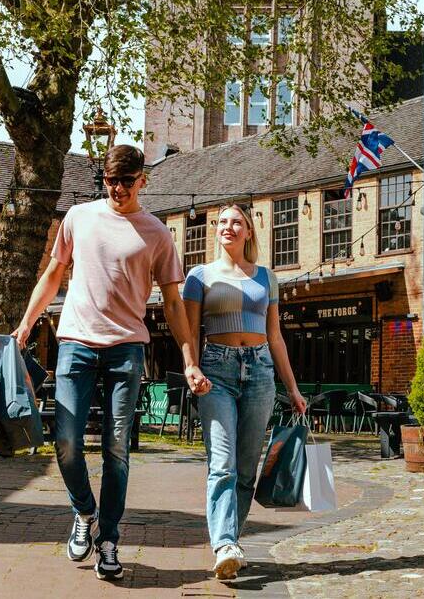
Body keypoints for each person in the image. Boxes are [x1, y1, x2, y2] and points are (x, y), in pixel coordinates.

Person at [14, 145, 207, 582]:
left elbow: (174, 303)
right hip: (76, 344)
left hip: (126, 351)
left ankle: (110, 540)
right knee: (65, 440)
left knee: (117, 447)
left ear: (143, 180)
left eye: (126, 180)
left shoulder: (157, 233)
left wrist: (189, 358)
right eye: (110, 180)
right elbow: (52, 274)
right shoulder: (79, 218)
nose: (117, 188)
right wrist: (26, 324)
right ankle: (85, 511)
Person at [182, 204, 308, 581]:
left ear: (249, 232)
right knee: (222, 463)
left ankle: (231, 547)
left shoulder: (267, 278)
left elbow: (275, 337)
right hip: (216, 370)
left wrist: (293, 389)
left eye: (236, 222)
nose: (228, 227)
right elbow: (189, 332)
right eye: (222, 222)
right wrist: (193, 367)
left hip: (260, 372)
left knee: (245, 469)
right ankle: (223, 543)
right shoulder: (198, 276)